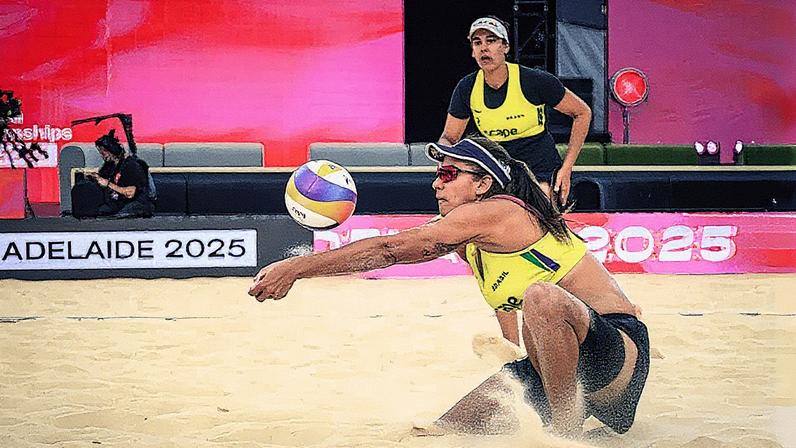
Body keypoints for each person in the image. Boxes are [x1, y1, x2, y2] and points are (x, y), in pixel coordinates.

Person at [248, 136, 649, 437]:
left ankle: (565, 436)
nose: (436, 184)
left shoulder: (499, 211)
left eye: (448, 173)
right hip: (571, 365)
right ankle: (565, 412)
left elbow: (391, 249)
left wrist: (299, 267)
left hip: (618, 360)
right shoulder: (474, 245)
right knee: (439, 430)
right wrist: (516, 361)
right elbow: (505, 303)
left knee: (541, 296)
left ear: (482, 185)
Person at [438, 16, 592, 205]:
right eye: (477, 43)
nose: (484, 48)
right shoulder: (467, 87)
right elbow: (450, 137)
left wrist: (567, 168)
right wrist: (445, 163)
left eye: (491, 41)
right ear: (472, 51)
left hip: (539, 165)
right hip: (496, 167)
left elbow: (582, 113)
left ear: (506, 47)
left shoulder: (535, 81)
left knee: (537, 212)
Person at [79, 129, 155, 218]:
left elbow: (130, 193)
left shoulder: (132, 165)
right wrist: (95, 177)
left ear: (112, 150)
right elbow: (103, 179)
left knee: (113, 217)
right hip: (117, 202)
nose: (103, 154)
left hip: (136, 204)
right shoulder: (110, 165)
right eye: (101, 152)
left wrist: (108, 184)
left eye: (104, 151)